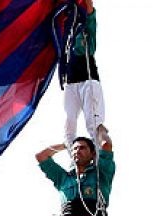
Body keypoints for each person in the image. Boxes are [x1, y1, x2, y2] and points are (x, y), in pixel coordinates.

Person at [61, 0, 106, 146]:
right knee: (69, 121)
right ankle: (74, 159)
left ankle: (100, 155)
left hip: (88, 80)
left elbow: (89, 6)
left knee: (92, 120)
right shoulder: (66, 35)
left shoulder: (87, 27)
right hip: (71, 82)